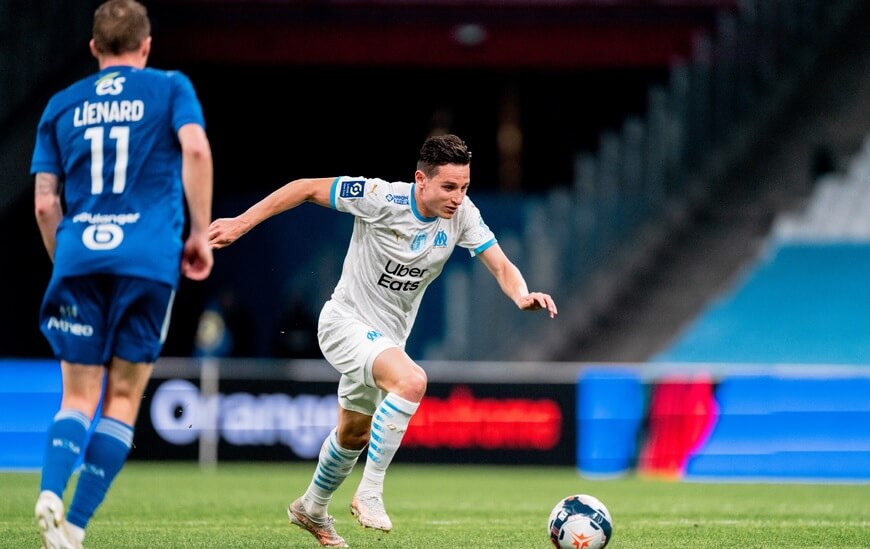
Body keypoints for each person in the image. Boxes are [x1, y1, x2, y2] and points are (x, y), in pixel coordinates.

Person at [209, 133, 557, 547]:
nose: (458, 197)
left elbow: (500, 265)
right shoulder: (379, 197)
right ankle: (370, 491)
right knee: (412, 381)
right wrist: (241, 222)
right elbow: (304, 188)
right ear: (421, 180)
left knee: (353, 435)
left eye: (464, 186)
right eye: (449, 186)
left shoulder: (463, 215)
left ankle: (311, 507)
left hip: (386, 340)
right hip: (344, 322)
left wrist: (521, 294)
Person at [30, 1, 213, 547]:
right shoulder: (170, 86)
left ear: (93, 48)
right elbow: (196, 149)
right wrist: (199, 232)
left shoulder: (61, 104)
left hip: (79, 258)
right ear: (146, 45)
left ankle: (49, 491)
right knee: (123, 398)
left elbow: (45, 203)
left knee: (77, 397)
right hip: (148, 260)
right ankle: (75, 526)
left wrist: (66, 258)